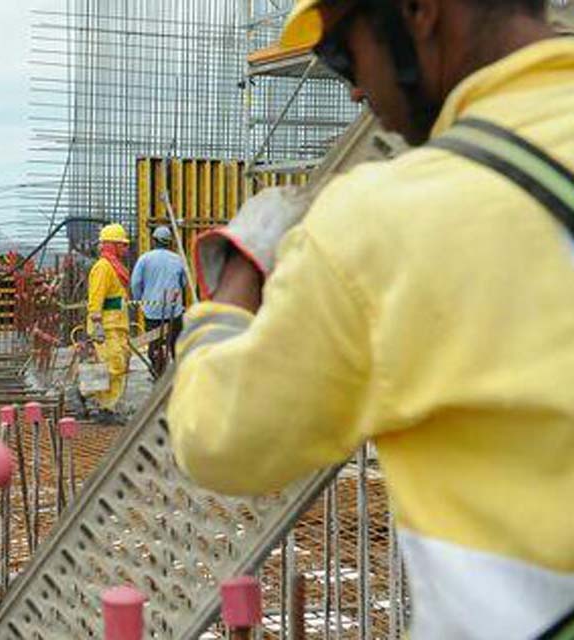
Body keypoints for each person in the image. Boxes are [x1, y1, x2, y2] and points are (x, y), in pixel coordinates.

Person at [168, 1, 574, 637]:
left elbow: (218, 435)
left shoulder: (383, 225)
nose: (355, 87)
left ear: (419, 11)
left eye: (341, 54)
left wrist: (237, 274)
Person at [87, 223, 132, 423]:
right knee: (109, 366)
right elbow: (95, 299)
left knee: (118, 365)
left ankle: (108, 407)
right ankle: (89, 397)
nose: (126, 248)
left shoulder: (115, 268)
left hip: (117, 325)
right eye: (122, 245)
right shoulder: (103, 268)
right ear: (112, 245)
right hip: (105, 327)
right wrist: (96, 325)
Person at [131, 226, 187, 375]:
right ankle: (178, 375)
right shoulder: (178, 259)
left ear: (154, 241)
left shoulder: (144, 259)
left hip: (152, 312)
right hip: (174, 311)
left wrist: (140, 301)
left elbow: (136, 283)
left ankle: (157, 371)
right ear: (169, 243)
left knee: (155, 344)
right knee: (176, 344)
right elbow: (184, 283)